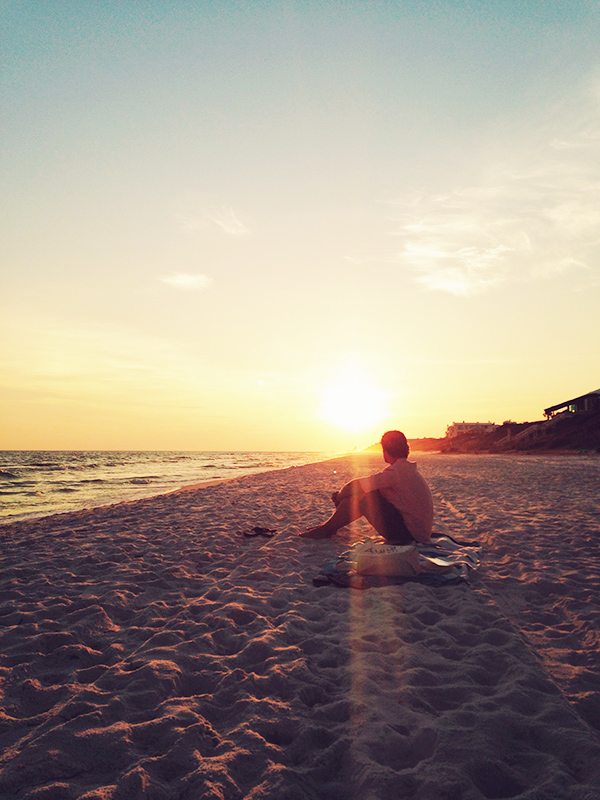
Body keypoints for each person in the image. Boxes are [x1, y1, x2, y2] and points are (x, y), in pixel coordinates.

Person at [300, 430, 433, 543]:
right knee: (368, 493)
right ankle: (329, 527)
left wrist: (339, 496)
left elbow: (356, 485)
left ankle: (327, 529)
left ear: (386, 450)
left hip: (410, 536)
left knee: (365, 496)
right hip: (417, 533)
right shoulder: (406, 469)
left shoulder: (396, 473)